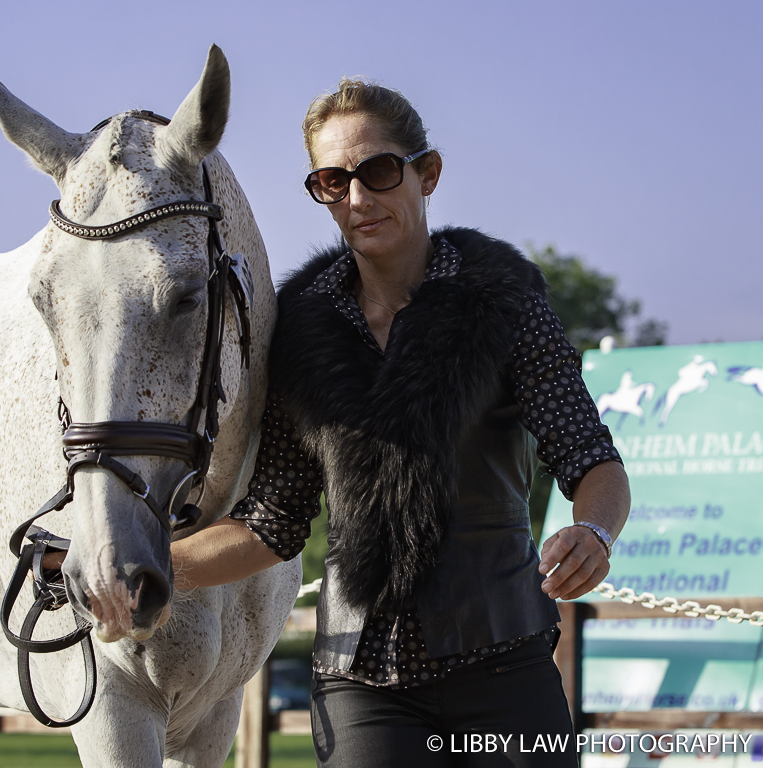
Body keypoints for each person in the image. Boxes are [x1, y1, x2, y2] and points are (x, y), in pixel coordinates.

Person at [171, 78, 631, 767]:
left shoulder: (501, 299)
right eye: (332, 181)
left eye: (378, 171)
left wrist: (595, 529)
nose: (357, 198)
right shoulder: (299, 332)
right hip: (362, 686)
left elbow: (591, 455)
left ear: (428, 172)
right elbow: (274, 522)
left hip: (507, 668)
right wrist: (146, 565)